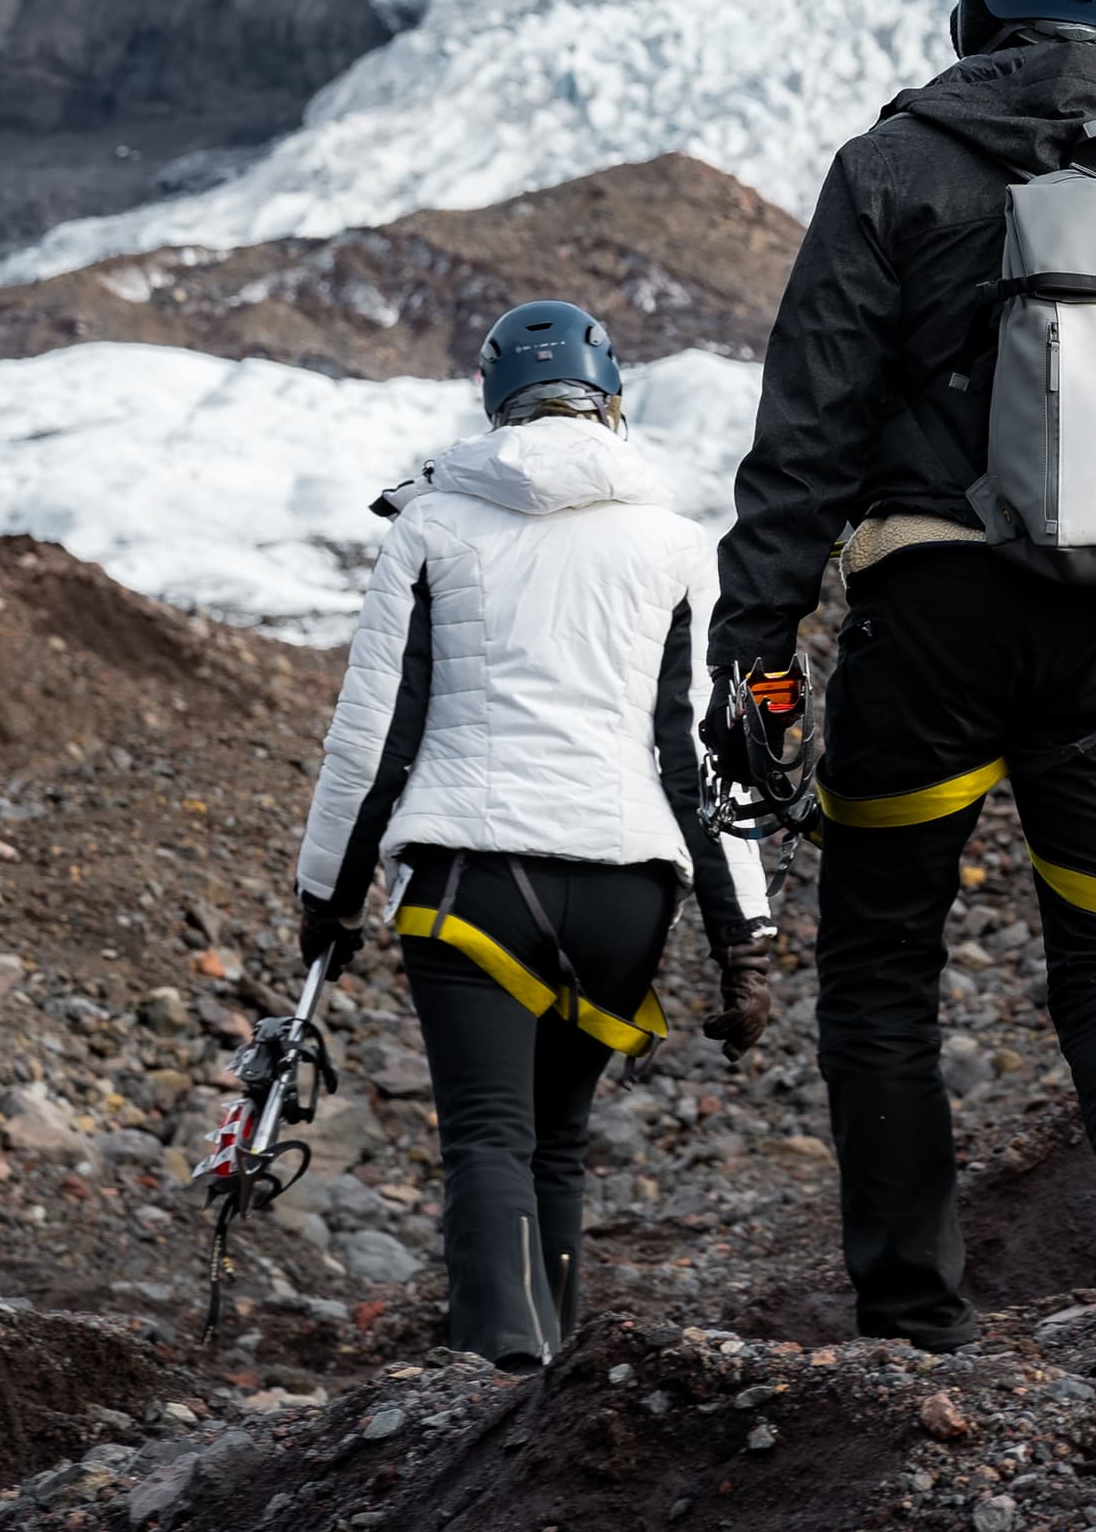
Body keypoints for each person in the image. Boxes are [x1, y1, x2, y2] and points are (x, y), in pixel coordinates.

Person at [707, 0, 1096, 1404]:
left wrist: (753, 644)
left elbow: (807, 431)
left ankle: (915, 1318)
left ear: (974, 12)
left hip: (933, 619)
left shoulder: (893, 168)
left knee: (884, 960)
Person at [293, 300, 774, 1371]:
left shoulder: (431, 525)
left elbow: (374, 735)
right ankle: (546, 1399)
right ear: (612, 399)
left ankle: (498, 1370)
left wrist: (328, 893)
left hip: (475, 875)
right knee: (557, 1145)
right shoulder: (676, 540)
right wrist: (745, 936)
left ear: (493, 401)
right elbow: (699, 753)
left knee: (488, 1140)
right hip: (626, 889)